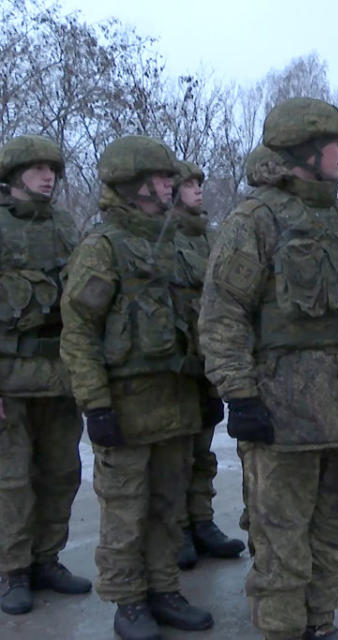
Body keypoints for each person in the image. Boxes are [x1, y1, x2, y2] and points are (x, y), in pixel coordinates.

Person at [198, 98, 338, 640]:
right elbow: (223, 313)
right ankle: (283, 631)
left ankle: (319, 624)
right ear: (304, 151)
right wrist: (240, 396)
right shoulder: (256, 219)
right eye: (335, 144)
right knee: (280, 541)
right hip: (280, 412)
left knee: (336, 532)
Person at [60, 135, 214, 639]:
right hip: (126, 408)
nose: (172, 185)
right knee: (126, 510)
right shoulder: (103, 248)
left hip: (177, 401)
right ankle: (129, 601)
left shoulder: (177, 244)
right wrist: (95, 405)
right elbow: (80, 330)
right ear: (133, 185)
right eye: (162, 178)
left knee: (169, 505)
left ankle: (164, 588)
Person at [0, 135, 89, 616]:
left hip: (59, 375)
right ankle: (12, 570)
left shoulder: (65, 225)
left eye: (52, 168)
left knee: (61, 473)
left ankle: (45, 559)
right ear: (15, 175)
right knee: (11, 480)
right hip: (8, 377)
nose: (48, 176)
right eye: (37, 168)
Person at [169, 160, 245, 571]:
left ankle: (202, 521)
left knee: (203, 453)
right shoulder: (162, 239)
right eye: (189, 184)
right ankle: (177, 528)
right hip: (173, 364)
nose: (198, 189)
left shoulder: (208, 239)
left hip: (205, 361)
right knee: (176, 455)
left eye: (200, 182)